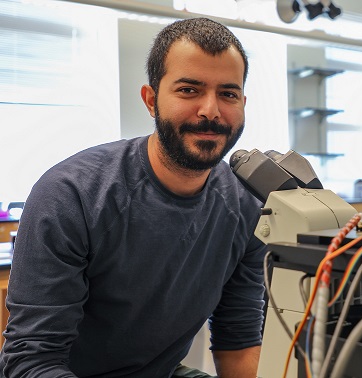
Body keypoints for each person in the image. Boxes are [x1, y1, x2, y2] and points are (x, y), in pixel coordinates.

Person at [0, 17, 266, 377]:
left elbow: (239, 338)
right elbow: (31, 360)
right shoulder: (71, 196)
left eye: (228, 94)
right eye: (189, 90)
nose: (210, 110)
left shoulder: (247, 205)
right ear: (151, 100)